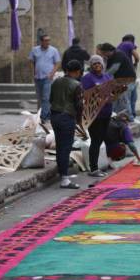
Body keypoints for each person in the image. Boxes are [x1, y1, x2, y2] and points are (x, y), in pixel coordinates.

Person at [50, 60, 83, 189]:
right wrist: (79, 121)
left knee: (60, 147)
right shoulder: (77, 85)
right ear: (77, 71)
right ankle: (64, 179)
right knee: (65, 148)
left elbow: (51, 99)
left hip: (55, 116)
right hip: (67, 117)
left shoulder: (56, 82)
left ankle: (62, 174)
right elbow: (79, 105)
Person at [81, 54, 113, 177]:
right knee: (95, 140)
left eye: (99, 63)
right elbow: (86, 94)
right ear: (91, 66)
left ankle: (101, 164)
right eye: (94, 64)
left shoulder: (107, 76)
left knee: (101, 139)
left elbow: (111, 91)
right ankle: (93, 169)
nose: (97, 66)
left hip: (106, 112)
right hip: (94, 114)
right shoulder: (87, 78)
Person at [29, 35, 61, 123]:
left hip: (48, 77)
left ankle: (44, 117)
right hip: (38, 77)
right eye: (46, 40)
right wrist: (33, 72)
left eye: (49, 40)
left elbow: (57, 62)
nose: (48, 42)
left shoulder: (53, 50)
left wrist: (52, 73)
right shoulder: (35, 50)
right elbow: (31, 61)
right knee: (39, 98)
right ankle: (40, 115)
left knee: (46, 97)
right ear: (41, 41)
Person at [99, 43, 137, 117]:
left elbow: (113, 69)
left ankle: (130, 119)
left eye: (104, 53)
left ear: (108, 51)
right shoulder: (112, 56)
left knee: (124, 101)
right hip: (121, 81)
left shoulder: (118, 55)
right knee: (117, 101)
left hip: (127, 80)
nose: (104, 55)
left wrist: (102, 78)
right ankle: (116, 118)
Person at [116, 35, 140, 118]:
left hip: (125, 76)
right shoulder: (128, 43)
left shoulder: (119, 47)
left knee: (132, 97)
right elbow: (137, 56)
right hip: (127, 77)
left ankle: (132, 116)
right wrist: (136, 62)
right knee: (129, 99)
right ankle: (131, 118)